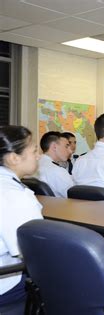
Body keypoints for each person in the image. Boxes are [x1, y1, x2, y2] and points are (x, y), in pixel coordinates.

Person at [0, 125, 43, 314]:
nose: (39, 155)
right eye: (34, 150)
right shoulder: (17, 196)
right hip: (6, 284)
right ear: (13, 158)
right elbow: (35, 253)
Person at [37, 131, 74, 198]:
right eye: (66, 146)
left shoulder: (35, 165)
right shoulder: (57, 171)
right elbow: (75, 196)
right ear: (54, 147)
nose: (70, 151)